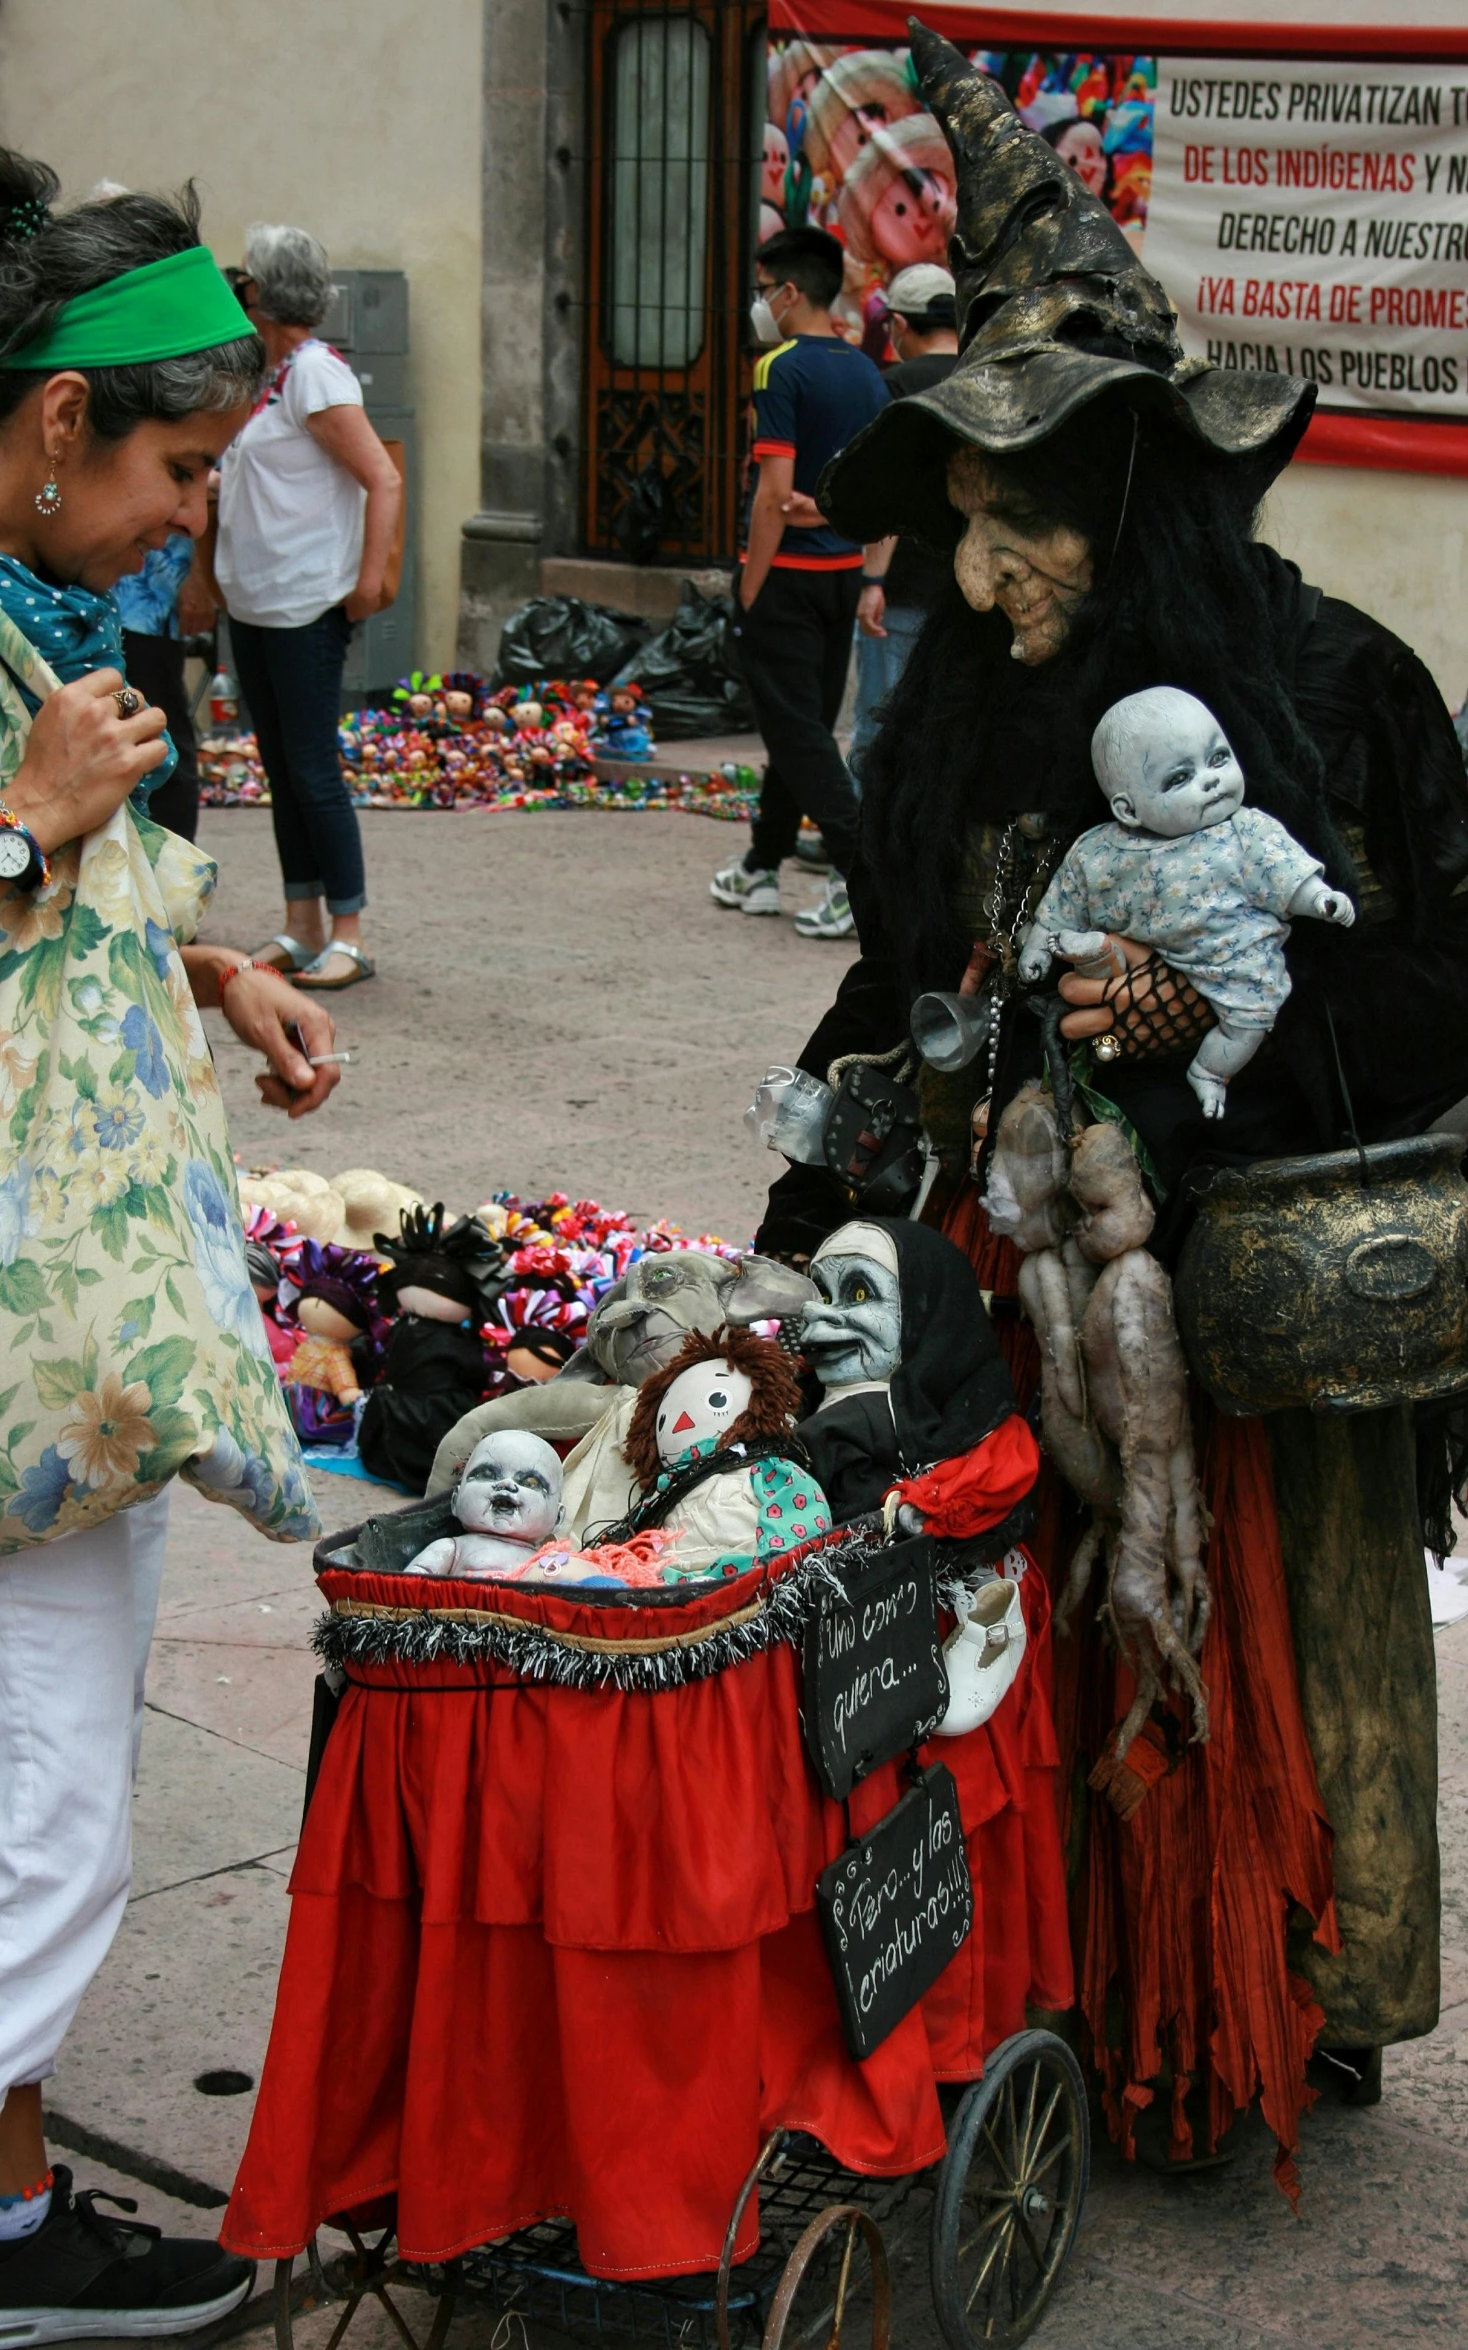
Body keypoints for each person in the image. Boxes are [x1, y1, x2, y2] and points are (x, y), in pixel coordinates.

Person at [761, 28, 1468, 2192]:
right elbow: (899, 984)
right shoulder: (973, 703)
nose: (976, 583)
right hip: (1023, 1286)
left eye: (1019, 524)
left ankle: (1280, 2005)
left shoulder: (1342, 689)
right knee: (1035, 1642)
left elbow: (1437, 986)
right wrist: (804, 1216)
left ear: (1141, 503)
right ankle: (1066, 1993)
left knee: (1269, 1653)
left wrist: (1211, 1017)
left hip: (1259, 1303)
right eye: (956, 527)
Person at [0, 145, 344, 2349]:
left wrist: (209, 969)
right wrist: (26, 818)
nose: (193, 517)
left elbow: (11, 942)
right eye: (179, 464)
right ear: (63, 419)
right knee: (36, 1841)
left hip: (7, 1317)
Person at [215, 223, 402, 990]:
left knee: (312, 770)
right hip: (256, 598)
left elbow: (380, 479)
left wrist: (366, 581)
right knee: (281, 770)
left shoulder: (316, 377)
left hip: (303, 601)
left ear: (261, 292)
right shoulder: (270, 376)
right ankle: (301, 922)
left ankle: (347, 931)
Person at [710, 226, 887, 943]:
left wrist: (748, 589)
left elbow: (771, 497)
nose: (760, 304)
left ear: (789, 292)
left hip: (786, 578)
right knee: (801, 729)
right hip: (843, 574)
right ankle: (759, 864)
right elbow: (877, 492)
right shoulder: (865, 371)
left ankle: (859, 876)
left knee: (800, 737)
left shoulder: (777, 368)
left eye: (762, 290)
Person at [847, 262, 958, 783]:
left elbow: (884, 493)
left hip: (904, 590)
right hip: (970, 590)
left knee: (879, 726)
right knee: (949, 727)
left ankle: (858, 849)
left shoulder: (892, 386)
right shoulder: (992, 378)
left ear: (900, 325)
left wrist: (872, 581)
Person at [112, 528, 213, 840]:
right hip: (80, 589)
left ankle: (173, 875)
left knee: (158, 738)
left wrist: (200, 579)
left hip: (146, 598)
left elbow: (209, 495)